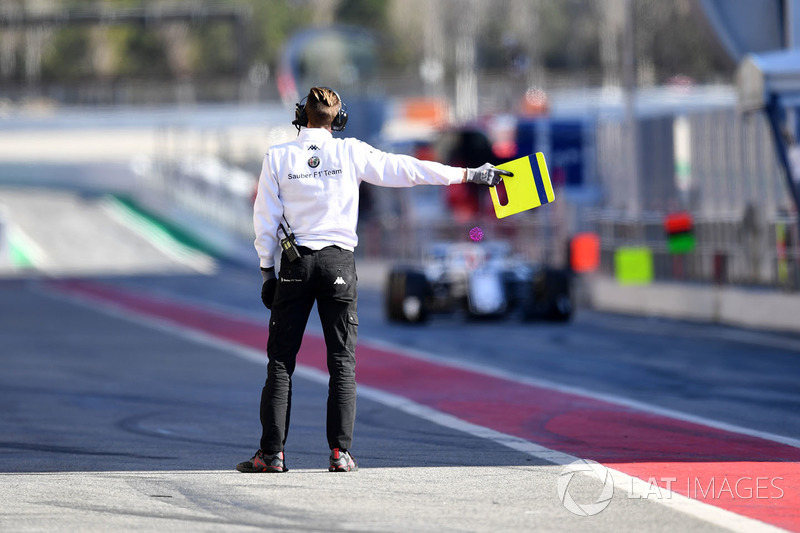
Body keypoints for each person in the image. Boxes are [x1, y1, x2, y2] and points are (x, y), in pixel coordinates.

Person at [236, 86, 511, 473]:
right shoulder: (351, 152)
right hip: (339, 267)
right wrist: (469, 173)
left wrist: (268, 270)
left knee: (281, 362)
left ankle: (271, 455)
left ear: (300, 116)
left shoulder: (278, 157)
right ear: (339, 119)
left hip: (295, 265)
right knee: (342, 363)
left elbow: (264, 219)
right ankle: (340, 454)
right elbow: (408, 170)